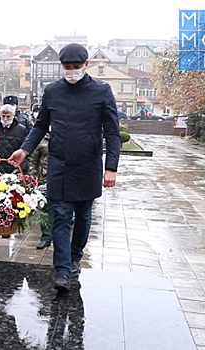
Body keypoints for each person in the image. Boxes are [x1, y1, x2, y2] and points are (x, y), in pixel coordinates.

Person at [8, 43, 121, 292]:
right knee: (60, 215)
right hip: (59, 163)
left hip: (88, 163)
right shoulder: (53, 91)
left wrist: (110, 167)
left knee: (82, 216)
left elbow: (113, 132)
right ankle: (61, 270)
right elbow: (40, 125)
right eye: (67, 67)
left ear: (86, 65)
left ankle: (74, 258)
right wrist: (25, 149)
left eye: (76, 67)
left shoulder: (102, 91)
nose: (71, 72)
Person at [28, 117, 53, 249]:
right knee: (46, 209)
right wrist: (33, 179)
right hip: (45, 179)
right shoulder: (42, 139)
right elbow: (33, 161)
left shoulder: (66, 137)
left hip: (64, 179)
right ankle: (46, 237)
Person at [0, 104, 28, 175]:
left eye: (8, 116)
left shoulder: (22, 129)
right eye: (3, 116)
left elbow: (24, 148)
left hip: (14, 165)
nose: (5, 119)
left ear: (13, 116)